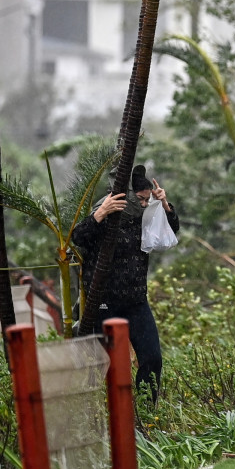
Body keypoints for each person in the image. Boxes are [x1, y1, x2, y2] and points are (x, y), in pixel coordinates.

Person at [72, 164, 179, 402]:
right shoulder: (105, 211)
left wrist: (163, 204)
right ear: (127, 195)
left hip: (136, 301)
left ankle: (145, 412)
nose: (143, 204)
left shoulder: (144, 217)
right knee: (107, 365)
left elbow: (170, 231)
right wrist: (99, 215)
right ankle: (105, 414)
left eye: (146, 200)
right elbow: (78, 238)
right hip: (102, 303)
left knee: (152, 358)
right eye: (140, 199)